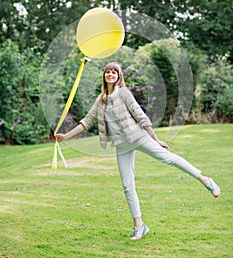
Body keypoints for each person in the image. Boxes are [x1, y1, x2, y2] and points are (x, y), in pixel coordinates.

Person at [56, 62, 220, 241]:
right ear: (104, 76)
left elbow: (140, 115)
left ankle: (205, 180)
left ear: (119, 76)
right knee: (127, 185)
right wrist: (66, 136)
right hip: (122, 145)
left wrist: (156, 139)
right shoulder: (101, 99)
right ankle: (139, 226)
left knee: (169, 159)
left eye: (114, 72)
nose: (110, 75)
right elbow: (86, 121)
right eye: (108, 72)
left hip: (138, 136)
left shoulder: (124, 93)